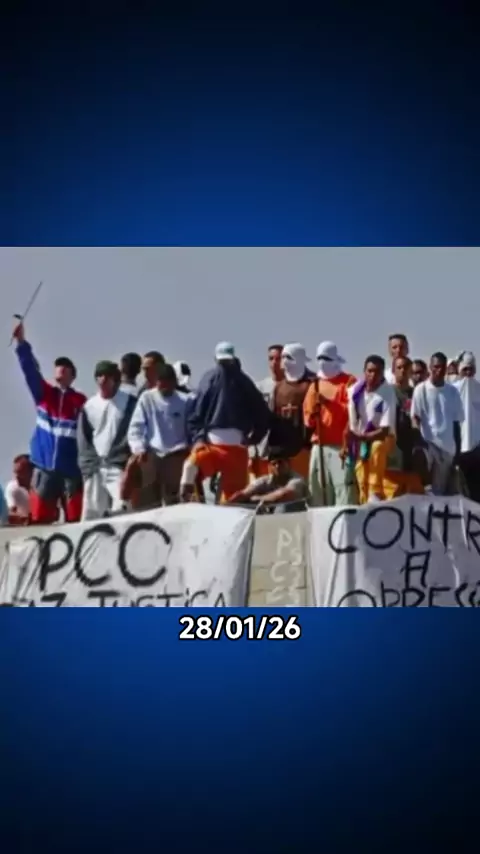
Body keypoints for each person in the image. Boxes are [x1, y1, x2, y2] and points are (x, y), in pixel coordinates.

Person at [12, 320, 86, 524]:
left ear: (72, 375)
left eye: (66, 368)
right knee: (39, 518)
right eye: (58, 367)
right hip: (44, 467)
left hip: (71, 470)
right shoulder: (44, 395)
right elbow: (30, 371)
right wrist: (21, 342)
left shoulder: (81, 402)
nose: (61, 370)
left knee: (75, 519)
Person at [180, 342, 270, 503]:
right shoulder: (243, 381)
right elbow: (262, 413)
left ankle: (189, 501)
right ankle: (187, 501)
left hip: (233, 449)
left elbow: (195, 413)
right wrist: (199, 439)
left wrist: (254, 438)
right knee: (190, 467)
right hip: (217, 446)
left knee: (232, 499)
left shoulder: (211, 378)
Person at [77, 361, 137, 520]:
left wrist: (125, 459)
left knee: (123, 508)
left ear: (115, 379)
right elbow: (84, 441)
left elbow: (134, 432)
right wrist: (89, 465)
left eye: (107, 376)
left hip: (118, 465)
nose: (102, 380)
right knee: (92, 513)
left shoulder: (129, 403)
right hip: (95, 467)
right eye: (99, 376)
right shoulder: (89, 406)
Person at [127, 362, 191, 507]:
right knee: (147, 504)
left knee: (176, 503)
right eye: (161, 385)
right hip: (151, 455)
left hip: (176, 456)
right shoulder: (147, 398)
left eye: (168, 385)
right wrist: (138, 448)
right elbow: (135, 427)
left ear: (174, 383)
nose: (164, 389)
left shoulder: (185, 400)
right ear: (156, 382)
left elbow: (192, 428)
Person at [303, 341, 356, 506]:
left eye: (326, 358)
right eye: (319, 358)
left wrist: (329, 403)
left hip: (340, 447)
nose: (322, 362)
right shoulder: (315, 385)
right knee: (317, 491)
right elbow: (308, 418)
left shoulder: (348, 382)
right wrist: (314, 412)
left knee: (343, 490)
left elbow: (353, 411)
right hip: (319, 446)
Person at [410, 352, 464, 495]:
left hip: (447, 449)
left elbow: (456, 424)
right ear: (430, 367)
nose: (438, 370)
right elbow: (415, 418)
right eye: (435, 367)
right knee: (420, 457)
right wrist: (418, 441)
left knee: (440, 492)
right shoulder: (421, 390)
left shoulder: (453, 392)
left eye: (441, 367)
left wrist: (458, 453)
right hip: (429, 444)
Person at [347, 355, 397, 503]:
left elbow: (385, 430)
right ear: (364, 371)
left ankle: (375, 492)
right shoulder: (355, 391)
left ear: (382, 373)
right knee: (361, 472)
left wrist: (362, 438)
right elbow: (352, 422)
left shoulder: (388, 392)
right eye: (370, 371)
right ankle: (365, 502)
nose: (373, 375)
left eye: (377, 372)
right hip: (361, 437)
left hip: (384, 438)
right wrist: (351, 440)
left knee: (377, 446)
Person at [383, 357, 425, 497]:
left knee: (414, 491)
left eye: (405, 367)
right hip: (394, 447)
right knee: (394, 491)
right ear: (393, 370)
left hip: (412, 446)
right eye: (399, 367)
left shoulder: (417, 393)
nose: (402, 371)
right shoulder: (388, 392)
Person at [271, 343, 314, 479]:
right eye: (283, 357)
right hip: (284, 451)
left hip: (305, 449)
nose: (285, 361)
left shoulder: (311, 385)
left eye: (289, 357)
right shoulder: (278, 388)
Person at [228, 447, 308, 512]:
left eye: (280, 462)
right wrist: (228, 505)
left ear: (288, 463)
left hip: (297, 517)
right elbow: (244, 493)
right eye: (274, 464)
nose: (277, 466)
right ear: (270, 467)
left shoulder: (297, 479)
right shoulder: (266, 480)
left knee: (283, 507)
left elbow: (285, 495)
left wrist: (256, 499)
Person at [251, 344, 284, 480]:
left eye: (278, 359)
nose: (274, 363)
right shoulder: (259, 387)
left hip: (285, 453)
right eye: (271, 359)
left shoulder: (293, 387)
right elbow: (251, 420)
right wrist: (251, 451)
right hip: (262, 451)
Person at [451, 351, 480, 501]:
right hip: (457, 449)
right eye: (465, 369)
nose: (468, 373)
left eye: (471, 369)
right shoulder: (451, 390)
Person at [4, 454, 33, 525]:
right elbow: (10, 513)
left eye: (21, 472)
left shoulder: (41, 487)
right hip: (22, 527)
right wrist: (26, 518)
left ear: (31, 472)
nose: (16, 476)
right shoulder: (12, 487)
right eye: (15, 472)